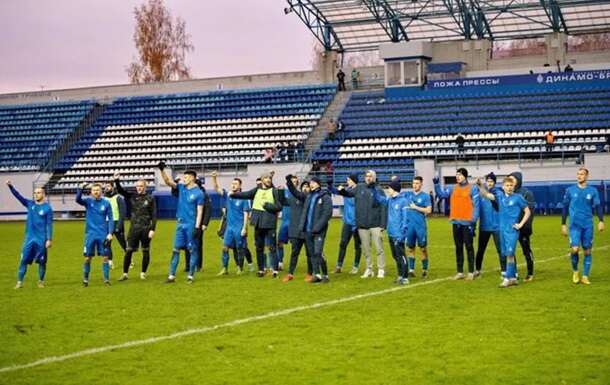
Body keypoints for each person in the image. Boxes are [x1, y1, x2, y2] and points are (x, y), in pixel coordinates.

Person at [478, 176, 531, 288]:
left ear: (514, 186)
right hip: (501, 230)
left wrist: (520, 224)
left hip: (511, 230)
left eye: (511, 185)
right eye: (507, 185)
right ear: (503, 187)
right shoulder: (500, 196)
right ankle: (512, 278)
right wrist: (480, 186)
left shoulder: (518, 198)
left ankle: (507, 278)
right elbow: (486, 195)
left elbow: (527, 211)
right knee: (506, 254)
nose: (509, 187)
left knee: (510, 254)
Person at [230, 172, 283, 277]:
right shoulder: (257, 189)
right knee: (259, 247)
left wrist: (267, 206)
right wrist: (233, 194)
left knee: (272, 247)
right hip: (258, 223)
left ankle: (275, 270)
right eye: (266, 178)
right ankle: (261, 269)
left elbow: (279, 206)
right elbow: (246, 194)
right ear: (262, 179)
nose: (268, 180)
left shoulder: (274, 191)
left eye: (269, 178)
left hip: (269, 223)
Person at [158, 162, 205, 284]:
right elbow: (168, 182)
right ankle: (171, 276)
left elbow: (200, 212)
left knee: (192, 250)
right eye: (184, 177)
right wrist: (162, 170)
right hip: (180, 224)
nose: (184, 179)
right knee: (175, 249)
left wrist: (197, 227)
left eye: (186, 177)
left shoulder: (199, 193)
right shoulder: (181, 187)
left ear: (193, 178)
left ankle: (190, 276)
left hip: (191, 224)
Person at [338, 170, 387, 279]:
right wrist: (341, 191)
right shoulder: (359, 187)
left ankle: (381, 269)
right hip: (362, 224)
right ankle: (369, 269)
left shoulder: (378, 190)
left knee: (379, 248)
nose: (368, 178)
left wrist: (383, 224)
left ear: (374, 178)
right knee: (366, 249)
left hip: (375, 224)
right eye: (366, 176)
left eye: (370, 176)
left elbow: (384, 207)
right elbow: (349, 194)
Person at [434, 168, 480, 280]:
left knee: (469, 247)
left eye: (460, 175)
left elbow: (477, 206)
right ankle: (460, 272)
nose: (458, 177)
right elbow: (441, 195)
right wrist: (436, 184)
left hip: (467, 223)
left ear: (465, 176)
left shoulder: (472, 189)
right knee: (458, 247)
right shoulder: (452, 188)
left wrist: (473, 221)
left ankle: (470, 272)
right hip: (456, 222)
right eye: (456, 175)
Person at [561, 168, 605, 285]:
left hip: (587, 225)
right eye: (578, 174)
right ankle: (575, 271)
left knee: (587, 251)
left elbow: (598, 206)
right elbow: (565, 207)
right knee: (575, 249)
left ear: (587, 176)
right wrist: (563, 224)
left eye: (582, 174)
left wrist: (601, 221)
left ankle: (585, 276)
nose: (579, 176)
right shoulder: (570, 190)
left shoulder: (593, 191)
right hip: (574, 225)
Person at [7, 181, 53, 289]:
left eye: (38, 193)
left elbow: (49, 225)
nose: (36, 194)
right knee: (23, 260)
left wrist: (49, 239)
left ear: (43, 194)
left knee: (42, 262)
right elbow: (18, 196)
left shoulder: (48, 208)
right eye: (35, 193)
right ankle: (19, 282)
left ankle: (41, 281)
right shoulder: (30, 204)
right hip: (29, 239)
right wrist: (10, 186)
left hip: (41, 239)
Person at [289, 176, 333, 283]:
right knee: (312, 253)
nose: (311, 184)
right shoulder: (308, 196)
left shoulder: (325, 197)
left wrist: (317, 227)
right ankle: (317, 274)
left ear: (318, 183)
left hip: (318, 231)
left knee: (318, 252)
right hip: (307, 230)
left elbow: (327, 214)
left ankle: (325, 275)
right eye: (310, 183)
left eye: (313, 182)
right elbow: (296, 193)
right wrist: (289, 183)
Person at [113, 174, 156, 281]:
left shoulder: (150, 198)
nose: (139, 188)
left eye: (141, 186)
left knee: (145, 251)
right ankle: (125, 274)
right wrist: (116, 180)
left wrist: (153, 229)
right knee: (128, 251)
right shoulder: (132, 196)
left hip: (146, 229)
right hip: (134, 229)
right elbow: (121, 191)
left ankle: (143, 273)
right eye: (137, 186)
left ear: (145, 187)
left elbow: (154, 215)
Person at [211, 171, 250, 275]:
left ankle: (240, 268)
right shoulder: (228, 195)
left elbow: (246, 214)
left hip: (239, 227)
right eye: (232, 183)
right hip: (229, 228)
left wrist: (244, 228)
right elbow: (216, 189)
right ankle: (224, 268)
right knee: (225, 247)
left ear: (240, 186)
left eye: (235, 184)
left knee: (239, 249)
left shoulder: (244, 198)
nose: (233, 185)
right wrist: (214, 178)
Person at [76, 183, 114, 287]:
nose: (96, 192)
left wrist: (110, 233)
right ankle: (85, 280)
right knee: (87, 258)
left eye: (98, 190)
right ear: (91, 192)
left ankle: (106, 280)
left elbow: (110, 218)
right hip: (90, 235)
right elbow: (78, 200)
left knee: (105, 257)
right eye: (94, 190)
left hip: (103, 235)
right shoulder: (88, 202)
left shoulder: (106, 203)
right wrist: (81, 188)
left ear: (101, 191)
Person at [372, 178, 409, 285]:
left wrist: (402, 235)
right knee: (395, 256)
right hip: (391, 233)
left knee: (401, 256)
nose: (388, 190)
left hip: (399, 235)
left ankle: (405, 277)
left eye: (389, 188)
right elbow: (380, 199)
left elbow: (405, 220)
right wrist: (374, 189)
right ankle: (400, 275)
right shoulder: (389, 200)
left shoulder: (403, 201)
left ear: (394, 189)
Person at [328, 174, 361, 274]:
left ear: (353, 180)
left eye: (348, 180)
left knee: (357, 245)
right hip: (347, 221)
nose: (347, 181)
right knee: (343, 244)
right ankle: (339, 266)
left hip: (357, 222)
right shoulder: (346, 190)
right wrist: (330, 185)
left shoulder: (358, 191)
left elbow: (344, 193)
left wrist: (342, 191)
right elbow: (336, 191)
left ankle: (355, 266)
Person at [281, 178, 312, 282]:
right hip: (295, 231)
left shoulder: (310, 198)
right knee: (294, 253)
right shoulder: (293, 199)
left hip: (307, 230)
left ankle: (310, 273)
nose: (306, 188)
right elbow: (282, 201)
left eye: (308, 186)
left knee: (309, 254)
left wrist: (289, 183)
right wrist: (280, 191)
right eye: (304, 186)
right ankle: (290, 273)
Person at [474, 172, 503, 277]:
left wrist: (480, 186)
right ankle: (477, 270)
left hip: (497, 227)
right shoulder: (480, 194)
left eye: (491, 181)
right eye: (488, 181)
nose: (489, 183)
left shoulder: (499, 193)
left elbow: (490, 196)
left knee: (500, 250)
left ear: (494, 183)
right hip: (484, 227)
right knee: (481, 249)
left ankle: (504, 271)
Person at [403, 177, 432, 278]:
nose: (415, 185)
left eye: (417, 183)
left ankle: (424, 270)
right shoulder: (407, 195)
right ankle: (411, 270)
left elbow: (429, 210)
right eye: (413, 183)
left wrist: (416, 207)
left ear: (421, 184)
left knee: (423, 248)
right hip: (410, 226)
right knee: (410, 248)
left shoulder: (425, 196)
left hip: (420, 226)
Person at [510, 172, 536, 281]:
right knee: (510, 250)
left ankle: (530, 272)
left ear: (518, 180)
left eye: (513, 179)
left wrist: (526, 226)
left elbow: (530, 211)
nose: (511, 181)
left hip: (523, 227)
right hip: (511, 227)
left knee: (526, 250)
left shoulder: (526, 193)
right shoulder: (508, 192)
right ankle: (513, 272)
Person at [103, 181, 126, 269]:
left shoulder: (118, 198)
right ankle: (110, 262)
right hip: (107, 223)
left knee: (123, 243)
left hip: (117, 223)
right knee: (107, 244)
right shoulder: (103, 199)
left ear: (113, 187)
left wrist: (119, 225)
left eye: (108, 186)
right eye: (106, 186)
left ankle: (129, 259)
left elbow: (122, 213)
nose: (107, 188)